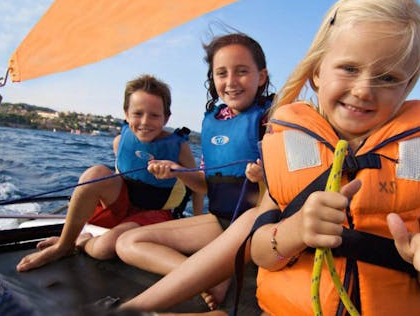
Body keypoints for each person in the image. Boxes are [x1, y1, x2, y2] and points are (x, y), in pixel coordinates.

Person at [248, 0, 420, 315]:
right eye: (349, 68)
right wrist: (296, 230)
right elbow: (260, 252)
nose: (363, 90)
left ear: (408, 86)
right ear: (317, 71)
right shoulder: (287, 148)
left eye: (388, 78)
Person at [115, 33, 273, 310]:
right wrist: (178, 171)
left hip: (255, 230)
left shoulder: (275, 120)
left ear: (261, 77)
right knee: (128, 242)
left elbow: (296, 187)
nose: (231, 81)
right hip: (219, 223)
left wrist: (265, 178)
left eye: (242, 71)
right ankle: (208, 278)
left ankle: (204, 276)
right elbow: (205, 185)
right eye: (221, 73)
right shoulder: (213, 122)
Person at [16, 74, 199, 272]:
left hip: (154, 214)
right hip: (123, 204)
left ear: (166, 118)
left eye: (154, 115)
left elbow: (197, 187)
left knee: (104, 248)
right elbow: (119, 178)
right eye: (138, 113)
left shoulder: (180, 149)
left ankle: (83, 241)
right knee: (95, 173)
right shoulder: (120, 141)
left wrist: (197, 226)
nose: (145, 122)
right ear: (126, 114)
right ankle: (65, 244)